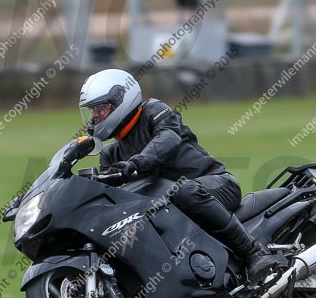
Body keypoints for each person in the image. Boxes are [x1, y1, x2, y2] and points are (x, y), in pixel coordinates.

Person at [78, 68, 278, 283]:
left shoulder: (154, 111)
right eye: (92, 110)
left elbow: (168, 138)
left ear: (121, 100)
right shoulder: (111, 153)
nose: (95, 116)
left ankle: (254, 252)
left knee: (182, 190)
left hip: (216, 184)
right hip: (173, 208)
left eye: (100, 108)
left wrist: (135, 163)